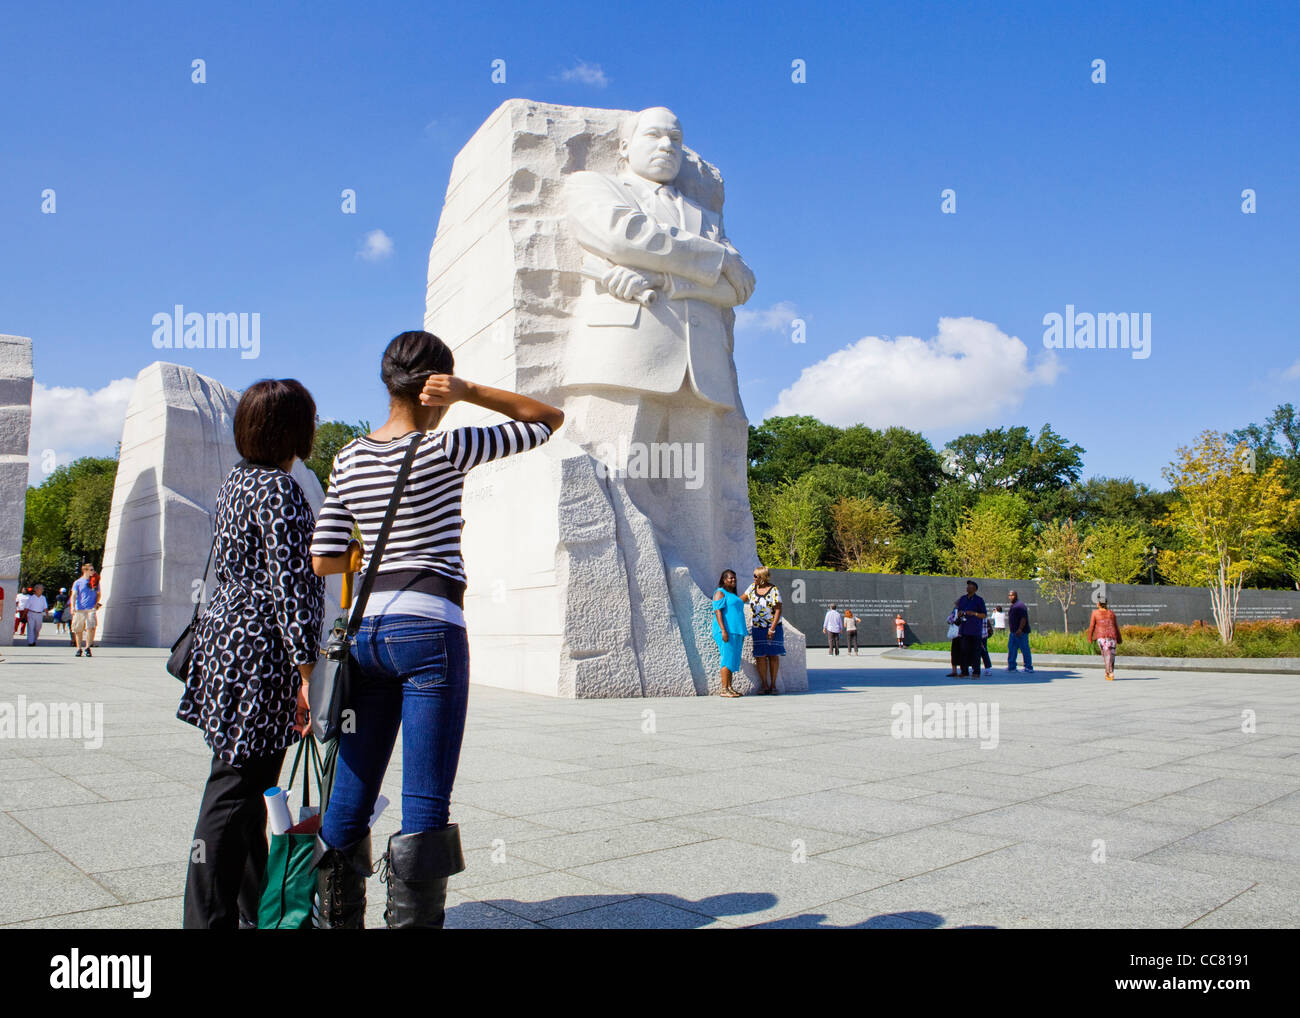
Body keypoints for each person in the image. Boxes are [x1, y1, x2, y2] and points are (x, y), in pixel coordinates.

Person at [310, 330, 563, 929]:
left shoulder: (347, 456)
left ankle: (334, 920)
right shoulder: (448, 447)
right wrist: (472, 390)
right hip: (430, 629)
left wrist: (374, 547)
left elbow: (323, 557)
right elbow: (547, 419)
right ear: (436, 387)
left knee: (351, 793)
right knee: (424, 800)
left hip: (365, 636)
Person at [178, 379, 325, 929]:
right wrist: (307, 673)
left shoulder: (237, 482)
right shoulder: (280, 490)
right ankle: (207, 919)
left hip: (227, 646)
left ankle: (260, 910)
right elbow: (290, 587)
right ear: (295, 428)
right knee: (236, 790)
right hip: (261, 654)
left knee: (245, 784)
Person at [742, 566, 784, 694]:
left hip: (773, 627)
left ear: (762, 577)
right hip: (757, 627)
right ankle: (764, 684)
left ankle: (773, 685)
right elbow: (740, 600)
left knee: (773, 655)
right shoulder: (752, 588)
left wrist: (772, 629)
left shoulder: (773, 590)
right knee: (760, 656)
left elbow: (778, 609)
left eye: (756, 576)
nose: (753, 578)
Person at [712, 569, 748, 698]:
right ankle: (724, 689)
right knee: (727, 659)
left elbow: (741, 600)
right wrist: (723, 630)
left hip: (737, 632)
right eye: (730, 578)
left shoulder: (732, 595)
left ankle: (729, 687)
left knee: (732, 659)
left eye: (734, 578)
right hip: (726, 631)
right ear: (723, 580)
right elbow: (718, 612)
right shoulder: (720, 592)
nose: (733, 580)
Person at [1086, 596, 1123, 680]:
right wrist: (1119, 638)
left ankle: (1109, 672)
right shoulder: (1111, 613)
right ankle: (1109, 672)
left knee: (1106, 654)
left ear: (1098, 604)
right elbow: (1116, 626)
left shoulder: (1095, 613)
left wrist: (1089, 637)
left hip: (1101, 636)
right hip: (1112, 637)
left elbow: (1092, 626)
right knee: (1111, 655)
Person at [955, 580, 987, 678]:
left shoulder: (979, 600)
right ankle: (964, 671)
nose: (967, 588)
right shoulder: (963, 599)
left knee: (975, 652)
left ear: (974, 589)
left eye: (970, 586)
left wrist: (974, 613)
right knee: (964, 651)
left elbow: (984, 615)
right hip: (964, 629)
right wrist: (960, 613)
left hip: (975, 630)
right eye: (967, 586)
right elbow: (959, 610)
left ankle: (976, 672)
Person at [69, 564, 101, 657]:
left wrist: (96, 603)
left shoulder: (95, 582)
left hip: (91, 608)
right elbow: (74, 595)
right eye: (91, 570)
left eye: (93, 569)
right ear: (85, 571)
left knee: (91, 627)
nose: (93, 571)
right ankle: (79, 648)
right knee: (78, 629)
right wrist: (72, 606)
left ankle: (87, 647)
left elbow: (99, 593)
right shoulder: (78, 582)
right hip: (80, 609)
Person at [1006, 589, 1033, 673]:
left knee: (1025, 649)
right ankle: (1012, 666)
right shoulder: (1014, 605)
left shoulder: (1020, 605)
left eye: (1012, 595)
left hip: (1021, 632)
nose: (1010, 597)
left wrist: (1020, 629)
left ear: (1016, 595)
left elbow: (1023, 618)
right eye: (1009, 595)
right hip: (1013, 632)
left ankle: (1028, 667)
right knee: (1012, 649)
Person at [945, 600, 962, 677]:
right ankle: (963, 671)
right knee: (962, 653)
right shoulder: (962, 610)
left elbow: (949, 620)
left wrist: (953, 620)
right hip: (963, 635)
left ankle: (954, 671)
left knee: (955, 653)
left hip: (957, 635)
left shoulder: (955, 610)